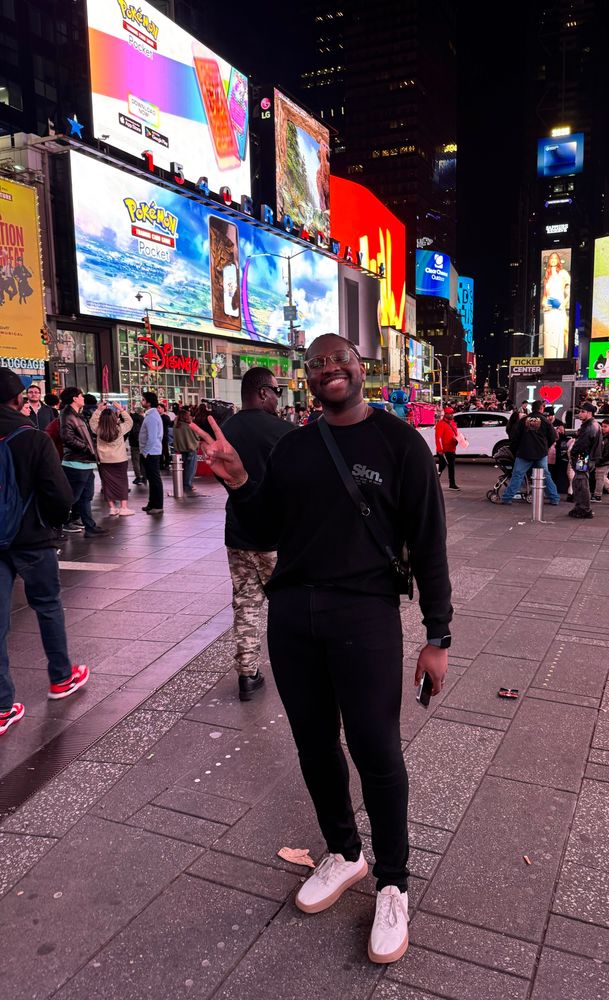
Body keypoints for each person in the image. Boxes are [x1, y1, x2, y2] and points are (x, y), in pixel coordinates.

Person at [192, 333, 452, 966]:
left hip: (364, 617)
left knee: (376, 748)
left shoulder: (400, 445)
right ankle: (344, 852)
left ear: (362, 369)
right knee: (313, 743)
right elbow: (263, 525)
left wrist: (437, 636)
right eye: (316, 364)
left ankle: (393, 881)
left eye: (339, 360)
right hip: (293, 618)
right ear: (304, 379)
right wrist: (237, 481)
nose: (328, 369)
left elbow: (429, 544)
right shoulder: (294, 448)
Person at [0, 368, 90, 736]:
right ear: (18, 399)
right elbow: (60, 495)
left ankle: (3, 706)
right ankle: (60, 677)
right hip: (33, 539)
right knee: (48, 606)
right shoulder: (32, 438)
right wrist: (52, 524)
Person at [219, 368, 294, 702]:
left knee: (245, 603)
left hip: (238, 533)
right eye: (277, 391)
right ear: (263, 392)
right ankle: (296, 666)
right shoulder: (285, 433)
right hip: (278, 537)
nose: (279, 398)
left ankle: (248, 674)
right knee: (289, 603)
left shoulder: (226, 430)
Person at [59, 386, 107, 538]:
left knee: (86, 497)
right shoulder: (67, 414)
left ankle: (90, 526)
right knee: (72, 497)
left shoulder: (76, 414)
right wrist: (86, 447)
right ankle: (58, 526)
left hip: (85, 462)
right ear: (74, 398)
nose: (83, 398)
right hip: (76, 463)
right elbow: (67, 437)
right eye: (81, 396)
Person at [501, 399, 559, 505]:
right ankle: (554, 498)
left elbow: (515, 436)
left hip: (524, 452)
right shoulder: (545, 421)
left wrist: (516, 449)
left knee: (517, 475)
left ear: (531, 408)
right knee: (545, 475)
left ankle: (507, 497)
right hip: (541, 453)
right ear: (542, 408)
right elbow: (553, 437)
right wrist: (546, 447)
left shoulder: (523, 420)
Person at [90, 402, 134, 516]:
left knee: (107, 483)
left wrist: (98, 410)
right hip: (120, 459)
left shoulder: (98, 430)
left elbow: (92, 422)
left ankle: (112, 508)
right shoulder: (120, 429)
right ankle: (124, 507)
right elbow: (129, 422)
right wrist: (121, 409)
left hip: (104, 460)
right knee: (123, 482)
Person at [568, 403, 602, 519]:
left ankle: (584, 508)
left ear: (589, 413)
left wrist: (573, 452)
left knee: (581, 482)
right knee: (579, 481)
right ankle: (580, 507)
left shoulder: (590, 426)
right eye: (580, 411)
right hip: (586, 456)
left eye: (583, 412)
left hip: (583, 456)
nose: (580, 414)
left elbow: (583, 444)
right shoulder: (592, 425)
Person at [541, 251, 571, 359]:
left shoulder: (563, 273)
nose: (553, 260)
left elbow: (570, 291)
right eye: (551, 258)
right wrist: (544, 304)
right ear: (549, 261)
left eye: (555, 258)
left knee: (561, 333)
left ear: (558, 260)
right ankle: (549, 361)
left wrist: (563, 304)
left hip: (559, 308)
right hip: (549, 311)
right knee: (549, 337)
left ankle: (562, 359)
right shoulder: (547, 277)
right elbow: (545, 295)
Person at [139, 392, 164, 514]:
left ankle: (158, 505)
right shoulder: (151, 415)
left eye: (143, 400)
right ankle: (152, 503)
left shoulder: (152, 416)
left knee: (154, 479)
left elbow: (152, 437)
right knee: (152, 479)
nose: (141, 402)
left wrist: (145, 452)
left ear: (148, 402)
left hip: (151, 453)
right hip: (151, 452)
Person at [173, 407, 201, 493]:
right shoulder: (190, 426)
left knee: (183, 468)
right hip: (191, 449)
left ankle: (182, 484)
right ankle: (187, 485)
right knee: (191, 469)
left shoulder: (176, 426)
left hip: (181, 450)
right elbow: (197, 436)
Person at [435, 405, 460, 490]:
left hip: (452, 449)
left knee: (451, 468)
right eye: (450, 414)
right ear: (445, 414)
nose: (452, 415)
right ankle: (434, 482)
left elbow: (455, 435)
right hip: (444, 450)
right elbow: (438, 438)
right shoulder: (440, 424)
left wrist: (460, 440)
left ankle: (452, 484)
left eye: (452, 413)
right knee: (441, 467)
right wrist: (440, 450)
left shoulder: (453, 423)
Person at [128, 408, 145, 484]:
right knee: (142, 461)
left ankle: (138, 477)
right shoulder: (143, 420)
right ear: (141, 413)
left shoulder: (132, 420)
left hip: (134, 443)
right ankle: (144, 476)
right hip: (142, 443)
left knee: (136, 461)